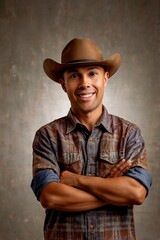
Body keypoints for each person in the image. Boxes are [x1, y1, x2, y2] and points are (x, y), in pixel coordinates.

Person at [31, 38, 152, 240]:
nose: (85, 83)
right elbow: (50, 196)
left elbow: (136, 193)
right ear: (63, 84)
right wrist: (112, 192)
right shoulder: (47, 135)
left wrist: (77, 181)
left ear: (105, 78)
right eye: (75, 75)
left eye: (92, 73)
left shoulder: (129, 133)